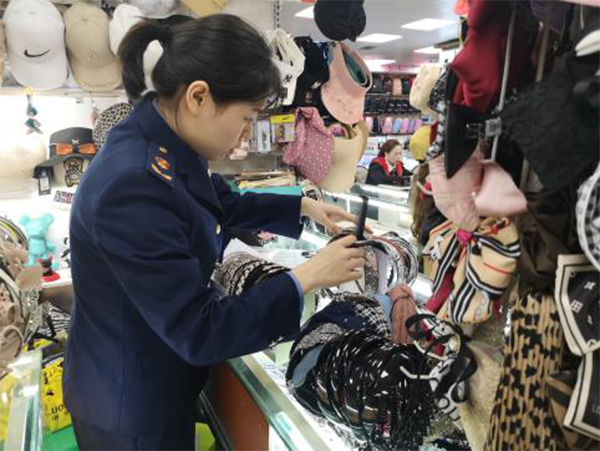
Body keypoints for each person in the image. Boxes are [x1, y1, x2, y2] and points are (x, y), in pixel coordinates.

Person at [63, 15, 366, 451]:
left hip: (154, 377)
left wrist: (302, 205)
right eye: (245, 118)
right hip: (132, 408)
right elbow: (198, 330)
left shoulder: (163, 140)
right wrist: (306, 277)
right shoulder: (134, 183)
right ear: (198, 97)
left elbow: (217, 202)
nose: (245, 135)